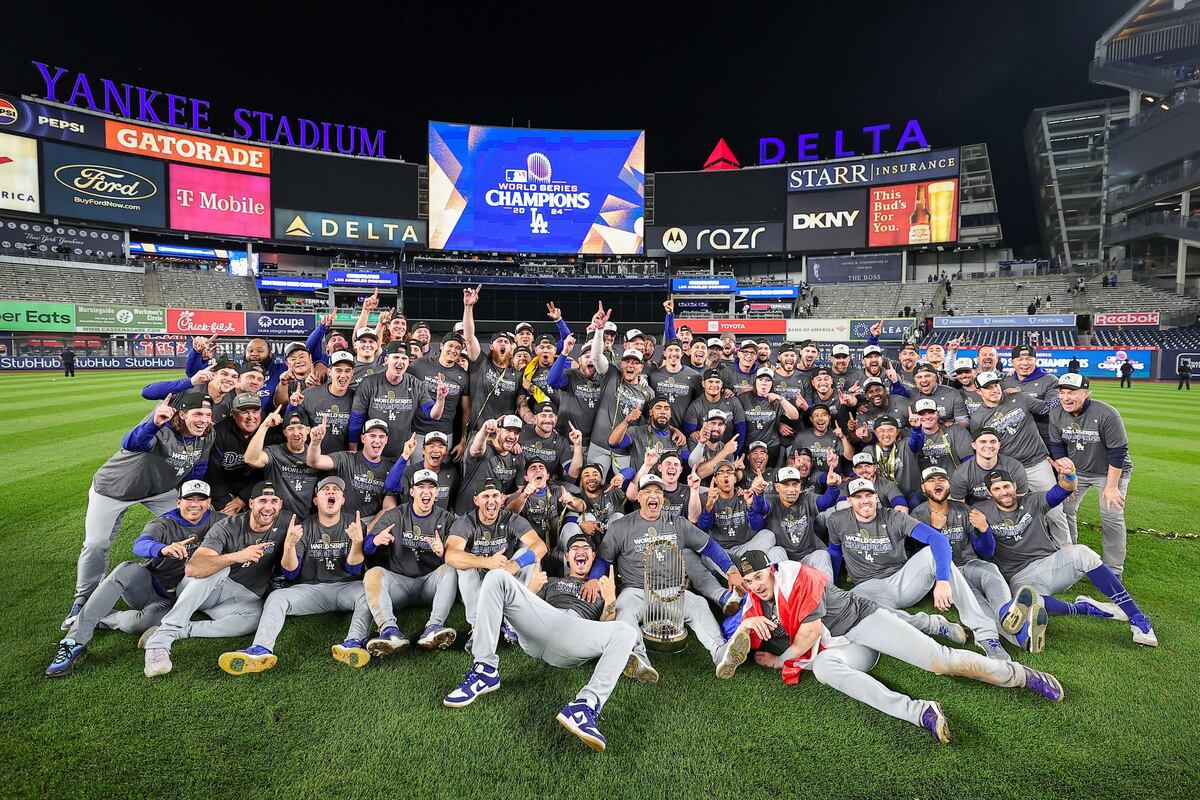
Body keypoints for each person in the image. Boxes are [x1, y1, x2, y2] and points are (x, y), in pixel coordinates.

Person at [718, 551, 1063, 744]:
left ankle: (1020, 675)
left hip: (862, 622)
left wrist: (781, 661)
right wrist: (746, 624)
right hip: (843, 648)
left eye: (759, 577)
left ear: (773, 571)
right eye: (748, 581)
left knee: (940, 662)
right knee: (824, 669)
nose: (755, 586)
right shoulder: (754, 600)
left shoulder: (798, 576)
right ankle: (920, 712)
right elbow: (738, 631)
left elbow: (806, 635)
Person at [442, 534, 658, 752]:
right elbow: (517, 611)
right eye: (575, 548)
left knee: (626, 631)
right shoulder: (552, 582)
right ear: (567, 556)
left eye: (586, 548)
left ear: (593, 556)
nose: (580, 551)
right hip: (542, 624)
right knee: (497, 577)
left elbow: (604, 631)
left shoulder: (603, 589)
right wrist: (531, 589)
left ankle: (585, 706)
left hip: (575, 633)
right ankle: (485, 668)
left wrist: (610, 599)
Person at [63, 390, 215, 631]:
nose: (204, 420)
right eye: (198, 414)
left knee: (203, 519)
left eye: (208, 414)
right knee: (96, 544)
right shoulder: (163, 427)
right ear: (183, 413)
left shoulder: (206, 434)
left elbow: (198, 468)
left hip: (158, 491)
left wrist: (192, 499)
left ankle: (194, 582)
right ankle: (83, 600)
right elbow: (132, 443)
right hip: (115, 488)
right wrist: (153, 423)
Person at [972, 464, 1157, 650]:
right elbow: (986, 552)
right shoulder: (981, 511)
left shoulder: (1033, 500)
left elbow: (1064, 489)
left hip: (1051, 565)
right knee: (1028, 605)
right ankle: (1085, 608)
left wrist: (1069, 475)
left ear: (1014, 485)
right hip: (1018, 576)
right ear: (990, 493)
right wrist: (984, 529)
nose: (1003, 492)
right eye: (996, 489)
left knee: (1082, 553)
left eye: (1006, 486)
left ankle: (1137, 617)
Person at [826, 477, 1009, 660]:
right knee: (859, 605)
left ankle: (987, 636)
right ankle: (933, 625)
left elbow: (938, 540)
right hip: (868, 587)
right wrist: (833, 586)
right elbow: (834, 552)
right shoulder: (837, 520)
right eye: (858, 497)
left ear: (876, 497)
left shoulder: (893, 517)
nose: (865, 500)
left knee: (932, 553)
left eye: (869, 495)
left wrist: (942, 580)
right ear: (849, 501)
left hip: (903, 581)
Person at [46, 480, 216, 677]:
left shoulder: (218, 520)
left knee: (138, 625)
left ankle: (102, 617)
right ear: (178, 502)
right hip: (151, 588)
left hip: (175, 602)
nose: (195, 504)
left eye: (201, 499)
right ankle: (74, 642)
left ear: (209, 502)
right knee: (126, 569)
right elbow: (140, 545)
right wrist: (162, 548)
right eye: (189, 499)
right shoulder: (163, 523)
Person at [585, 474, 749, 675]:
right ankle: (638, 660)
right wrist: (593, 578)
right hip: (637, 592)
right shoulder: (621, 526)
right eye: (647, 491)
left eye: (658, 492)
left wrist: (731, 570)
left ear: (663, 498)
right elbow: (604, 559)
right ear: (638, 496)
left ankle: (721, 653)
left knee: (699, 605)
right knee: (623, 610)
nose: (653, 496)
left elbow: (709, 546)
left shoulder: (677, 523)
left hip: (674, 592)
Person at [217, 477, 366, 675]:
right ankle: (260, 649)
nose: (331, 492)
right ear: (315, 500)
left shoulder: (354, 525)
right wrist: (289, 545)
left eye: (336, 490)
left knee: (370, 592)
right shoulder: (303, 527)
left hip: (346, 588)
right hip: (311, 590)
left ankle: (353, 643)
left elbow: (354, 569)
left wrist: (357, 542)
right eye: (325, 490)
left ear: (343, 499)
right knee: (277, 597)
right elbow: (290, 573)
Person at [142, 482, 288, 677]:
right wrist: (236, 556)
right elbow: (193, 568)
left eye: (273, 501)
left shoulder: (287, 523)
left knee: (256, 618)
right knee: (217, 569)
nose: (268, 507)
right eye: (262, 501)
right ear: (251, 504)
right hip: (207, 588)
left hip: (240, 597)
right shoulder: (228, 525)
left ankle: (178, 631)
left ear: (280, 505)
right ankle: (161, 641)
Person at [334, 468, 460, 664]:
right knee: (373, 575)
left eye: (431, 487)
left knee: (450, 569)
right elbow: (366, 548)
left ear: (437, 492)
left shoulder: (447, 519)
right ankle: (389, 631)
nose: (426, 492)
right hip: (399, 585)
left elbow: (460, 556)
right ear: (412, 491)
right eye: (420, 487)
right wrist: (375, 541)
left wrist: (444, 553)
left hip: (430, 585)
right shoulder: (395, 515)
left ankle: (434, 627)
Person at [443, 478, 548, 645]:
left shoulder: (511, 519)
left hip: (505, 575)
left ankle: (511, 621)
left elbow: (540, 546)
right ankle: (477, 626)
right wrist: (488, 562)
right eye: (485, 496)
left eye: (495, 496)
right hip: (478, 583)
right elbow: (450, 556)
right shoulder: (465, 522)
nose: (491, 501)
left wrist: (516, 564)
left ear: (502, 498)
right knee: (463, 565)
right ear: (476, 500)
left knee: (527, 554)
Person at [1049, 374, 1133, 574]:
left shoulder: (1107, 413)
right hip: (1077, 472)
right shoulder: (1056, 414)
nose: (1066, 397)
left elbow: (1118, 452)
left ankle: (1113, 570)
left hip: (1109, 472)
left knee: (1111, 515)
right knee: (1064, 510)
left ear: (1086, 393)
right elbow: (1058, 448)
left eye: (1072, 392)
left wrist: (1111, 487)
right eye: (1062, 392)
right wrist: (1065, 480)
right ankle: (1071, 559)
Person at [751, 465, 841, 577]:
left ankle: (827, 593)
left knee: (822, 555)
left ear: (800, 486)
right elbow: (760, 508)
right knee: (775, 551)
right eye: (786, 485)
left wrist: (833, 487)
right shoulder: (771, 500)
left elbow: (826, 501)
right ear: (777, 487)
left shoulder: (807, 498)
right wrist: (759, 494)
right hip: (784, 558)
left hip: (807, 557)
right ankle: (785, 592)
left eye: (795, 484)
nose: (791, 489)